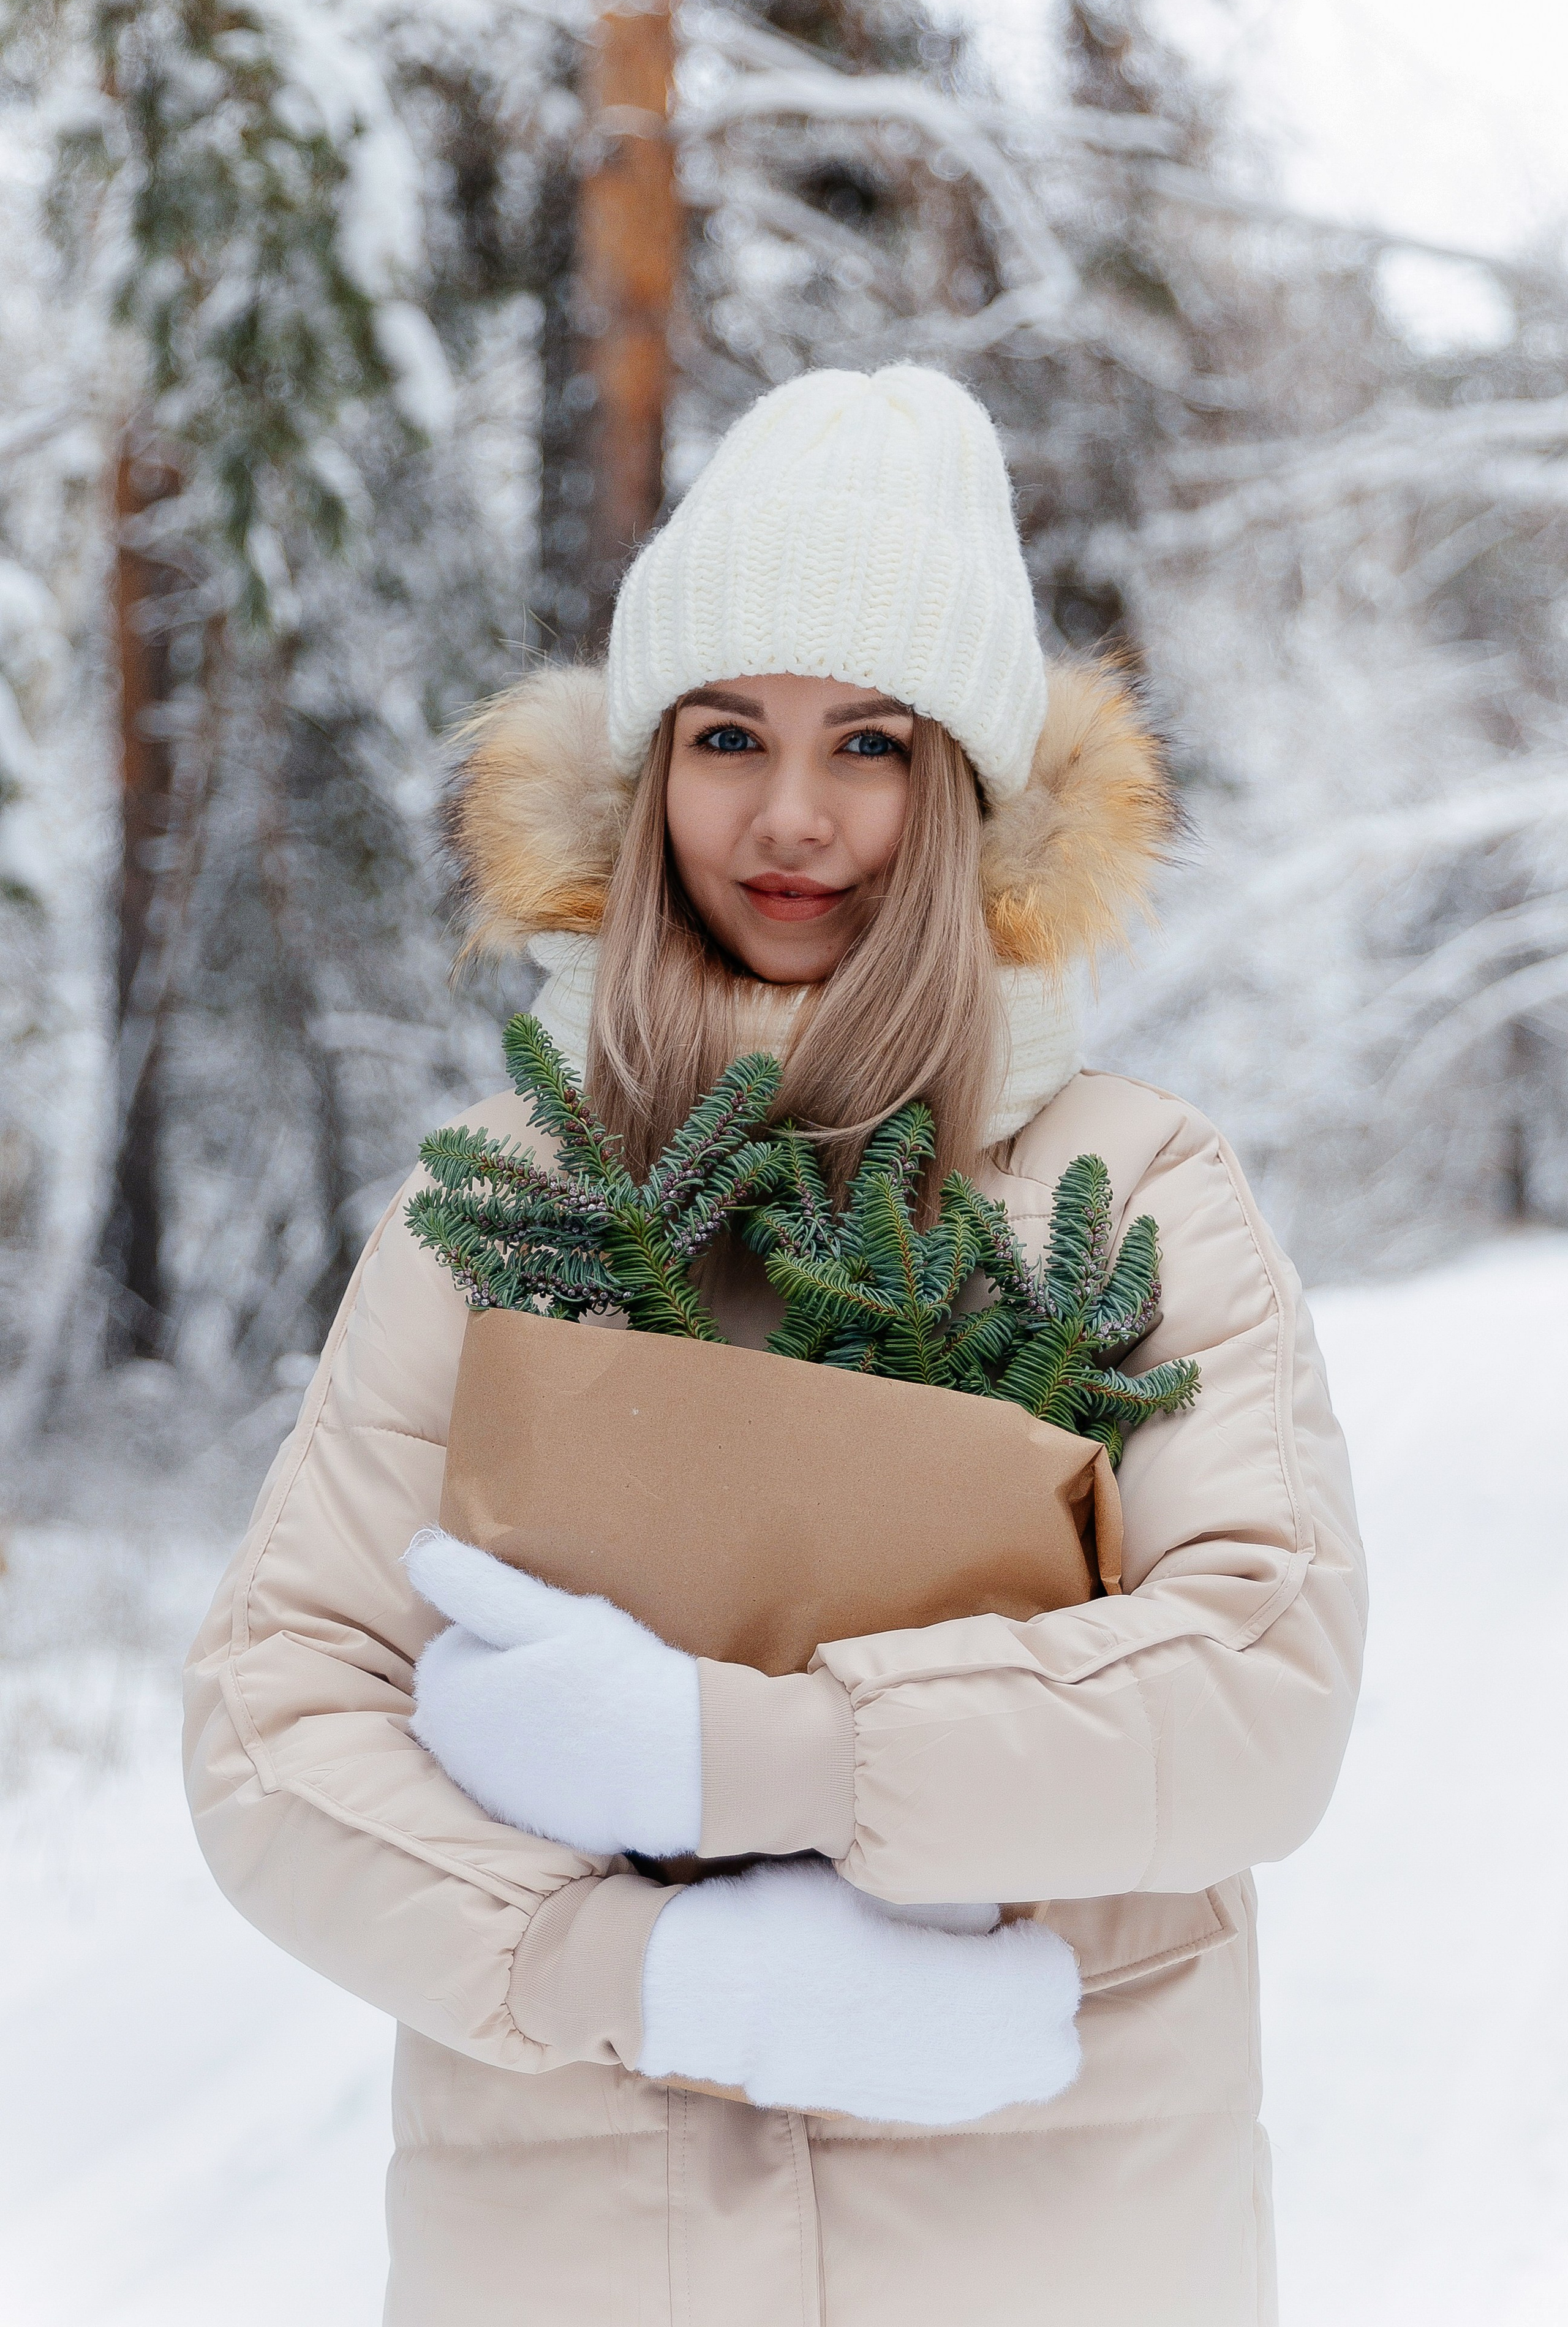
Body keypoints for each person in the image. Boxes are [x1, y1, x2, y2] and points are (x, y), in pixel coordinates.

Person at [186, 364, 1366, 2326]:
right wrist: (630, 1974)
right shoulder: (503, 1203)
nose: (792, 818)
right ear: (646, 777)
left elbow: (1263, 1685)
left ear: (969, 793)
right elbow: (276, 1718)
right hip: (576, 2258)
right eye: (728, 734)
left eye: (870, 745)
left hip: (1049, 2252)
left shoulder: (1131, 1186)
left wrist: (756, 1758)